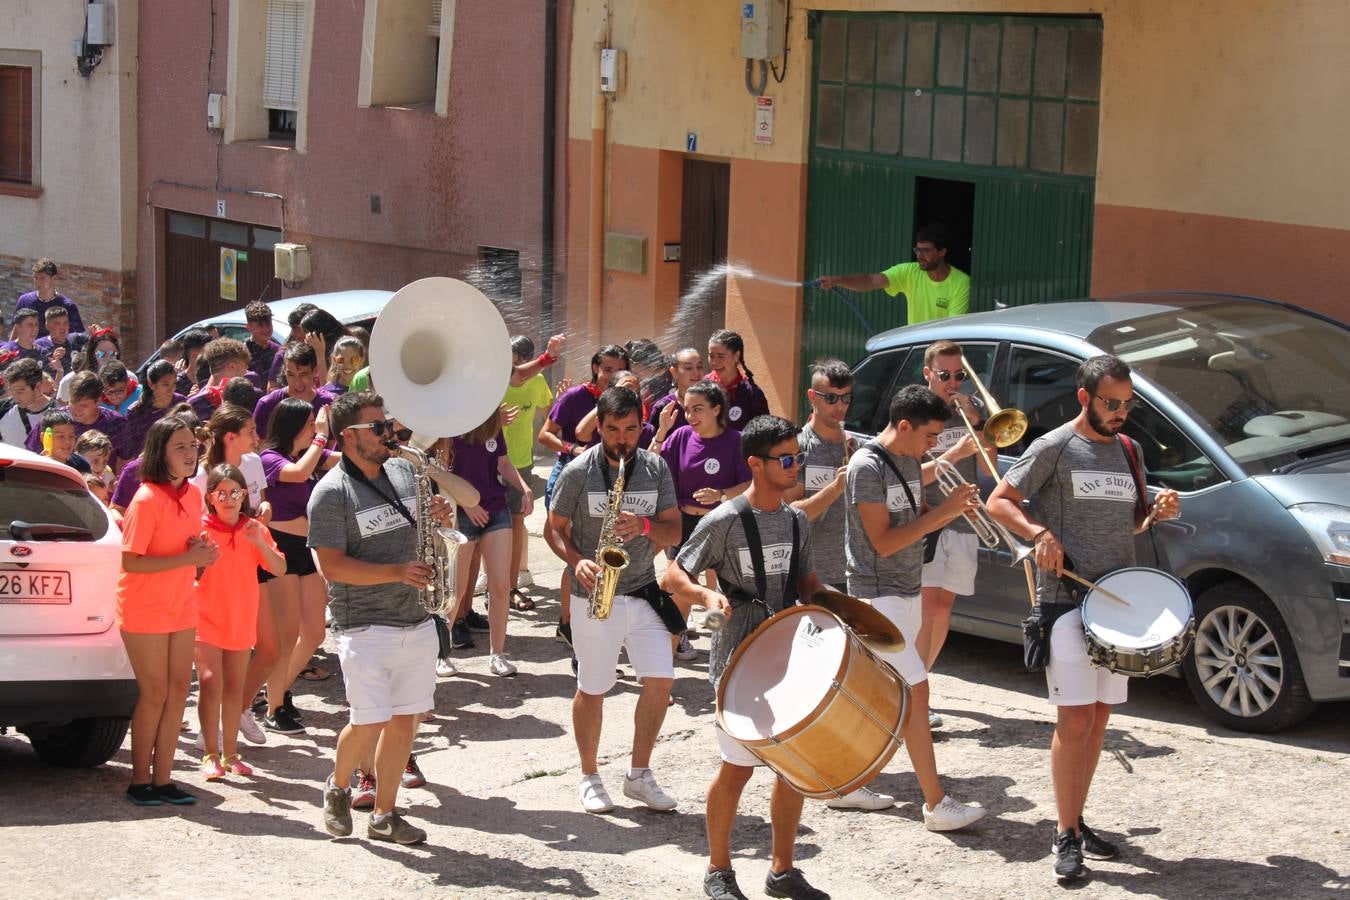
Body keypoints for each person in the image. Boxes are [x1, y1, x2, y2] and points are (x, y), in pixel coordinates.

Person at [987, 354, 1180, 882]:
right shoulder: (1054, 447)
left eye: (1126, 403)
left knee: (1097, 720)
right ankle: (1064, 834)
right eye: (1110, 403)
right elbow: (999, 502)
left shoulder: (1129, 450)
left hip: (1120, 602)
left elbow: (1132, 522)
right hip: (1066, 599)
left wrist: (1155, 512)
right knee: (1073, 719)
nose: (1120, 413)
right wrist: (1039, 534)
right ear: (1084, 398)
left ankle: (1077, 816)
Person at [663, 414, 829, 900]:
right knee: (737, 769)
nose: (795, 464)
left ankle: (782, 871)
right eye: (785, 458)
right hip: (735, 660)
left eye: (797, 455)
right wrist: (706, 598)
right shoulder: (724, 520)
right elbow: (673, 575)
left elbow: (808, 583)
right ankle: (718, 870)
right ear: (756, 464)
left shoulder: (797, 518)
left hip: (789, 660)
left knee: (793, 767)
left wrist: (839, 606)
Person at [310, 390, 456, 845]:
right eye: (378, 427)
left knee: (405, 721)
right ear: (349, 437)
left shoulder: (404, 471)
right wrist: (395, 572)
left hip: (417, 617)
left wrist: (437, 513)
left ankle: (385, 814)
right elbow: (331, 565)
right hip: (364, 625)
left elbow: (424, 527)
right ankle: (338, 787)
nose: (388, 434)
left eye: (388, 424)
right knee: (369, 720)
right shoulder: (331, 493)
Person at [839, 385, 988, 825]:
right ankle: (936, 803)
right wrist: (945, 513)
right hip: (876, 594)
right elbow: (883, 543)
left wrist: (946, 494)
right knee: (915, 693)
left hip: (905, 590)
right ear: (904, 426)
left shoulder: (906, 458)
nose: (932, 446)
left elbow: (913, 504)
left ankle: (843, 784)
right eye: (929, 437)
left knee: (881, 699)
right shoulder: (866, 466)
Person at [544, 386, 683, 814]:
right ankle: (589, 775)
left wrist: (643, 527)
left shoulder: (655, 468)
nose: (622, 439)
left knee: (660, 683)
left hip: (641, 589)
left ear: (641, 427)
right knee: (593, 687)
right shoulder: (579, 471)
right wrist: (577, 561)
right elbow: (553, 527)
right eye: (612, 429)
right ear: (598, 428)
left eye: (630, 429)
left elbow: (674, 531)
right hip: (595, 594)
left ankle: (639, 775)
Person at [117, 415, 218, 806]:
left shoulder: (193, 494)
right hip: (144, 606)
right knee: (155, 692)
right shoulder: (145, 499)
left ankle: (163, 780)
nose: (190, 453)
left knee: (178, 691)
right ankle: (139, 780)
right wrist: (188, 557)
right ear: (161, 452)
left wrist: (201, 554)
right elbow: (131, 562)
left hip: (180, 603)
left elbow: (186, 550)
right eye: (180, 447)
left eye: (193, 446)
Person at [916, 341, 996, 727]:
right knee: (927, 609)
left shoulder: (966, 415)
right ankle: (916, 695)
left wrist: (978, 425)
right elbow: (910, 474)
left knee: (944, 609)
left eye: (959, 375)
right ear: (927, 372)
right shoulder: (915, 413)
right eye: (945, 375)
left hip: (964, 520)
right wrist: (955, 454)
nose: (952, 382)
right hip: (929, 522)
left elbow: (988, 467)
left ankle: (920, 680)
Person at [194, 463, 286, 779]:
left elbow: (280, 568)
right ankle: (209, 753)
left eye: (235, 492)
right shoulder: (199, 528)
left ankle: (231, 754)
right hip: (204, 617)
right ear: (210, 497)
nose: (229, 498)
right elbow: (186, 571)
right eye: (222, 492)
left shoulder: (254, 529)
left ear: (244, 494)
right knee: (209, 681)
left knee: (234, 689)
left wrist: (259, 543)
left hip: (240, 618)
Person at [539, 344, 630, 646]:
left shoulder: (629, 400)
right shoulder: (576, 396)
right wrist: (572, 450)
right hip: (572, 473)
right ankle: (568, 622)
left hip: (610, 479)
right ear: (595, 369)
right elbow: (546, 434)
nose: (611, 375)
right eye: (606, 369)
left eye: (618, 370)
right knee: (573, 551)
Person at [259, 398, 339, 734]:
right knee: (287, 634)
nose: (315, 429)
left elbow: (347, 458)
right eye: (309, 424)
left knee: (315, 633)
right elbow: (299, 473)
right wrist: (321, 438)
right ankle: (275, 704)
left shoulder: (308, 454)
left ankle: (274, 691)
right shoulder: (269, 458)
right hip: (280, 552)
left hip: (307, 551)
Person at [448, 408, 534, 675]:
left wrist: (524, 488)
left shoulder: (491, 422)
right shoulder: (446, 425)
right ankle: (440, 653)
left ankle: (497, 654)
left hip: (495, 509)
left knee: (500, 585)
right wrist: (468, 503)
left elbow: (503, 462)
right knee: (457, 589)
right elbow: (437, 474)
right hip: (461, 514)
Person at [783, 359, 854, 593]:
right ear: (812, 396)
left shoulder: (856, 447)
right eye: (831, 398)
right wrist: (835, 487)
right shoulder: (797, 448)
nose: (840, 406)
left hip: (852, 571)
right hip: (810, 574)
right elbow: (790, 514)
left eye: (846, 398)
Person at [502, 334, 564, 600]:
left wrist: (561, 401)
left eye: (514, 357)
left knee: (516, 522)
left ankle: (515, 578)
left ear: (523, 359)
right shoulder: (495, 378)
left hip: (520, 460)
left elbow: (550, 417)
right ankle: (496, 576)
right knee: (491, 523)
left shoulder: (537, 381)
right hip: (489, 460)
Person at [814, 223, 970, 326]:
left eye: (926, 251)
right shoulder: (908, 272)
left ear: (942, 252)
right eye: (917, 250)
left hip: (940, 356)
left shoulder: (961, 282)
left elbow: (951, 330)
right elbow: (870, 280)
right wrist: (837, 280)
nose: (919, 256)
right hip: (915, 351)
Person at [25, 370, 134, 466]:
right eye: (73, 403)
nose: (76, 410)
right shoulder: (54, 421)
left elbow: (126, 460)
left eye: (83, 405)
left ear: (98, 400)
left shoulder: (116, 423)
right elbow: (29, 455)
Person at [253, 342, 335, 440]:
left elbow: (333, 447)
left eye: (303, 375)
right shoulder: (268, 404)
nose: (297, 383)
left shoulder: (328, 403)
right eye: (291, 375)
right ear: (284, 372)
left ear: (315, 371)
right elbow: (260, 447)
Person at [705, 330, 768, 431]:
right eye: (711, 356)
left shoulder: (752, 394)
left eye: (721, 356)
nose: (715, 362)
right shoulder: (702, 388)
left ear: (736, 356)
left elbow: (762, 435)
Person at [124, 360, 186, 459]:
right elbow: (134, 449)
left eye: (174, 384)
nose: (171, 389)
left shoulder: (181, 403)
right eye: (165, 384)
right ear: (151, 384)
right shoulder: (135, 411)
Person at [187, 338, 254, 422]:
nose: (246, 371)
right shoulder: (194, 406)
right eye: (244, 366)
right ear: (232, 367)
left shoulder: (194, 404)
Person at [15, 257, 85, 336]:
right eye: (36, 278)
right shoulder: (24, 300)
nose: (38, 282)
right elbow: (16, 329)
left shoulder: (68, 306)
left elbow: (77, 336)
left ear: (53, 278)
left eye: (42, 278)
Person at [648, 347, 704, 436]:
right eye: (689, 368)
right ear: (674, 372)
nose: (696, 373)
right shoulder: (664, 408)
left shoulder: (713, 403)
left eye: (699, 367)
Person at [0, 357, 54, 446]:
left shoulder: (57, 412)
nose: (14, 396)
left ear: (37, 386)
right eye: (11, 390)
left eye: (19, 391)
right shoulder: (3, 409)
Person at [242, 300, 281, 380]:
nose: (266, 329)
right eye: (260, 325)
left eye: (268, 324)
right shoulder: (242, 354)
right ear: (248, 327)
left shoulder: (278, 350)